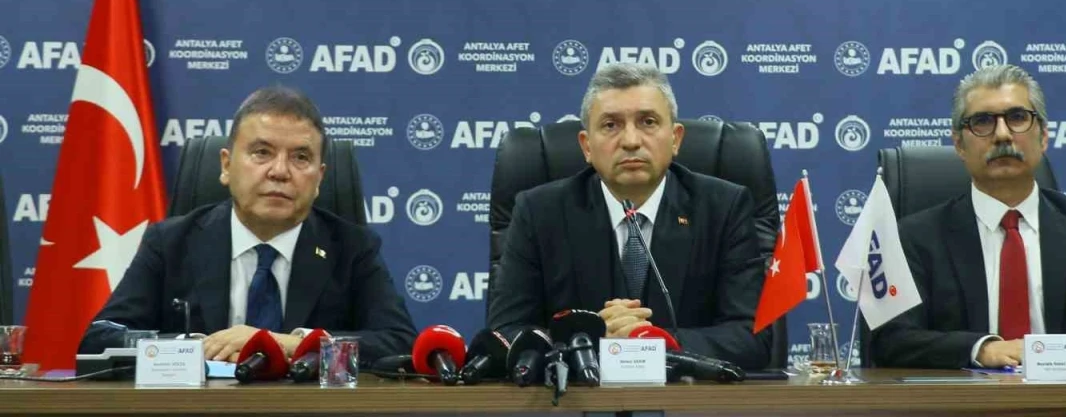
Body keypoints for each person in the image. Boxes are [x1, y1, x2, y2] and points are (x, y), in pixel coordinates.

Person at [79, 87, 416, 364]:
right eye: (261, 152)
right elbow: (100, 339)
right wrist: (196, 348)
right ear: (226, 166)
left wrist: (284, 343)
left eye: (300, 157)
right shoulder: (170, 243)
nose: (280, 171)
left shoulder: (353, 248)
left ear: (319, 179)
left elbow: (400, 344)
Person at [486, 63, 772, 368]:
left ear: (675, 139)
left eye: (648, 122)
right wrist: (592, 341)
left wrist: (653, 341)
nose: (631, 141)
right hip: (580, 394)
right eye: (611, 125)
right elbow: (505, 334)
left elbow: (751, 337)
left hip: (687, 394)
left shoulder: (724, 208)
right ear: (586, 146)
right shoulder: (539, 212)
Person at [870, 65, 1066, 369]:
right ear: (959, 145)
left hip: (1065, 395)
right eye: (982, 121)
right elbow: (892, 340)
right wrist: (981, 350)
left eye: (1017, 118)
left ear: (1043, 137)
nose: (1002, 134)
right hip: (964, 396)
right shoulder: (916, 236)